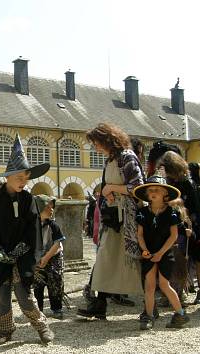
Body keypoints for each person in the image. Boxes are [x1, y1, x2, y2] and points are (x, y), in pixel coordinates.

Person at [0, 134, 54, 346]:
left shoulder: (28, 199)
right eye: (19, 177)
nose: (23, 182)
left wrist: (20, 251)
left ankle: (41, 326)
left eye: (26, 178)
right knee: (2, 296)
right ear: (8, 177)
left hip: (22, 255)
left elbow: (33, 229)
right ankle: (5, 330)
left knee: (23, 295)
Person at [77, 123, 144, 320]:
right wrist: (109, 194)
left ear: (107, 140)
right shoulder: (111, 159)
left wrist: (111, 188)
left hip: (127, 219)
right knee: (105, 260)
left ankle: (151, 306)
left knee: (133, 262)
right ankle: (100, 304)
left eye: (97, 143)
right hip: (114, 219)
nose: (95, 147)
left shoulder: (127, 157)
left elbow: (138, 188)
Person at [133, 175, 190, 330]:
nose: (153, 192)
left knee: (164, 285)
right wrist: (144, 250)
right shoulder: (143, 213)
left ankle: (180, 313)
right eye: (150, 190)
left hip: (165, 253)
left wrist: (161, 252)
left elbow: (174, 236)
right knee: (149, 286)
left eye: (157, 189)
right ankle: (149, 316)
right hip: (149, 254)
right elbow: (139, 234)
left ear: (165, 194)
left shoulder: (171, 213)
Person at [158, 151, 200, 305]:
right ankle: (177, 292)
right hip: (179, 225)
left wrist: (195, 229)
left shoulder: (187, 182)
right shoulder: (170, 181)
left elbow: (195, 208)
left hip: (193, 225)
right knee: (178, 259)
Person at [32, 195, 66, 320]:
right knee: (38, 283)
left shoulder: (53, 225)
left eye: (52, 206)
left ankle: (57, 308)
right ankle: (38, 310)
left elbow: (57, 244)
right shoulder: (31, 225)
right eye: (47, 207)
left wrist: (46, 258)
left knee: (56, 281)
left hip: (54, 256)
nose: (51, 209)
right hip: (37, 258)